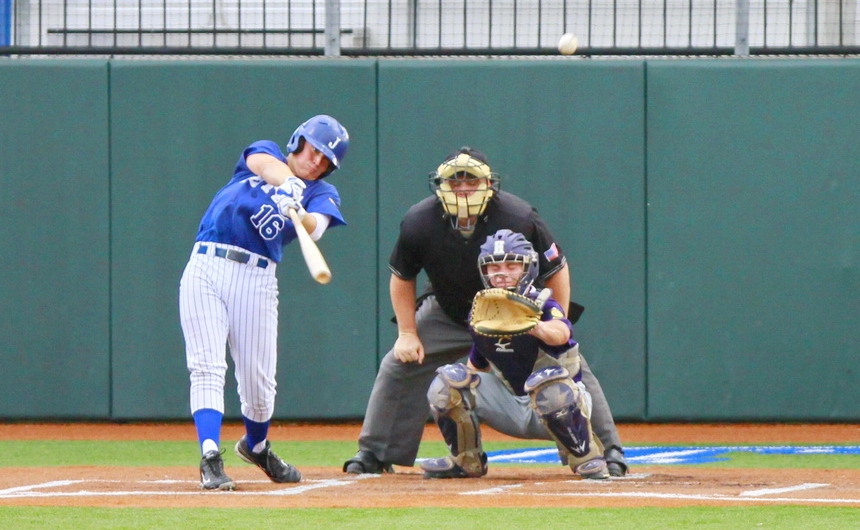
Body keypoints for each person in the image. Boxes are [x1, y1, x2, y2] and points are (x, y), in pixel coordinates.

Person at [343, 146, 628, 477]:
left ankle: (607, 450)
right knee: (398, 364)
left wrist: (556, 320)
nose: (463, 188)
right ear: (440, 186)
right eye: (454, 182)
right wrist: (407, 333)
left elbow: (557, 268)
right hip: (449, 309)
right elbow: (402, 277)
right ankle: (376, 452)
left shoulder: (519, 216)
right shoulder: (419, 221)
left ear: (489, 184)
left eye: (472, 181)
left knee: (569, 363)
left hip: (517, 309)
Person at [179, 114, 350, 490]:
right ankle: (210, 456)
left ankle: (256, 446)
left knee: (259, 387)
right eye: (314, 151)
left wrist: (299, 211)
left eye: (325, 161)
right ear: (298, 141)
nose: (316, 162)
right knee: (207, 366)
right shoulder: (269, 153)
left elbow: (317, 228)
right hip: (206, 263)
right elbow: (263, 163)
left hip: (256, 278)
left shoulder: (321, 194)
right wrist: (287, 182)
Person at [420, 229, 609, 479]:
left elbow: (561, 333)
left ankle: (586, 457)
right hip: (510, 403)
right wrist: (455, 394)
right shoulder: (482, 312)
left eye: (511, 265)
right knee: (447, 382)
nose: (501, 273)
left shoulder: (543, 304)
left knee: (547, 383)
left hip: (563, 406)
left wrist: (534, 326)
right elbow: (476, 367)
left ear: (527, 268)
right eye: (494, 266)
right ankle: (466, 460)